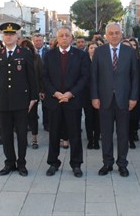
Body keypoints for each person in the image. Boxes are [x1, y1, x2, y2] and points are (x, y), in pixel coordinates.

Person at [91, 23, 139, 177]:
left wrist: (133, 97)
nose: (114, 35)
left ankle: (122, 164)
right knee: (106, 134)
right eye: (111, 33)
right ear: (106, 35)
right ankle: (107, 163)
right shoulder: (99, 51)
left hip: (124, 99)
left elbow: (135, 78)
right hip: (104, 99)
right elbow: (94, 77)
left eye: (117, 33)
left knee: (123, 134)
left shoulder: (130, 52)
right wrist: (94, 96)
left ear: (121, 34)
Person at [0, 22, 38, 177]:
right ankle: (9, 162)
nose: (8, 36)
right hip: (3, 100)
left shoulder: (24, 53)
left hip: (21, 101)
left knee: (21, 134)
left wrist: (33, 97)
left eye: (11, 34)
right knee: (6, 134)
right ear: (3, 36)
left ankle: (22, 163)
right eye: (6, 34)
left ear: (17, 36)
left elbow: (32, 77)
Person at [43, 26, 89, 178]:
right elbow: (45, 77)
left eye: (67, 35)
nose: (64, 38)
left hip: (72, 101)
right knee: (54, 134)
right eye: (61, 35)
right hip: (54, 101)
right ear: (57, 38)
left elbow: (84, 77)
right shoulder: (49, 55)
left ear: (72, 38)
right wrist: (55, 93)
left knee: (74, 134)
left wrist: (70, 93)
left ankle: (76, 164)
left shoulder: (80, 55)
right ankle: (53, 163)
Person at [21, 39, 44, 149]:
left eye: (28, 48)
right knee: (21, 117)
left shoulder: (36, 58)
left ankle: (34, 138)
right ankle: (23, 138)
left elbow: (41, 75)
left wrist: (41, 90)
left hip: (33, 91)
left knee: (33, 116)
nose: (26, 50)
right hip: (20, 92)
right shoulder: (18, 59)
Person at [84, 41, 100, 149]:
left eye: (95, 48)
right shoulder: (84, 61)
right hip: (86, 95)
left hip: (100, 95)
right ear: (88, 49)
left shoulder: (102, 60)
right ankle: (90, 140)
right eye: (91, 48)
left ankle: (96, 140)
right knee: (89, 118)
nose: (93, 50)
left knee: (98, 119)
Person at [33, 33, 49, 131]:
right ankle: (32, 125)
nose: (38, 42)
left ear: (43, 41)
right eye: (36, 41)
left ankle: (46, 124)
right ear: (33, 41)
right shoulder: (29, 52)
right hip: (34, 83)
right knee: (33, 106)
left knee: (46, 106)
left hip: (45, 82)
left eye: (40, 40)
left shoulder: (49, 52)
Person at [128, 37, 140, 148]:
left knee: (135, 116)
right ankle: (128, 138)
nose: (132, 47)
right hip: (125, 92)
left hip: (137, 91)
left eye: (134, 45)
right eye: (129, 45)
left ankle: (134, 132)